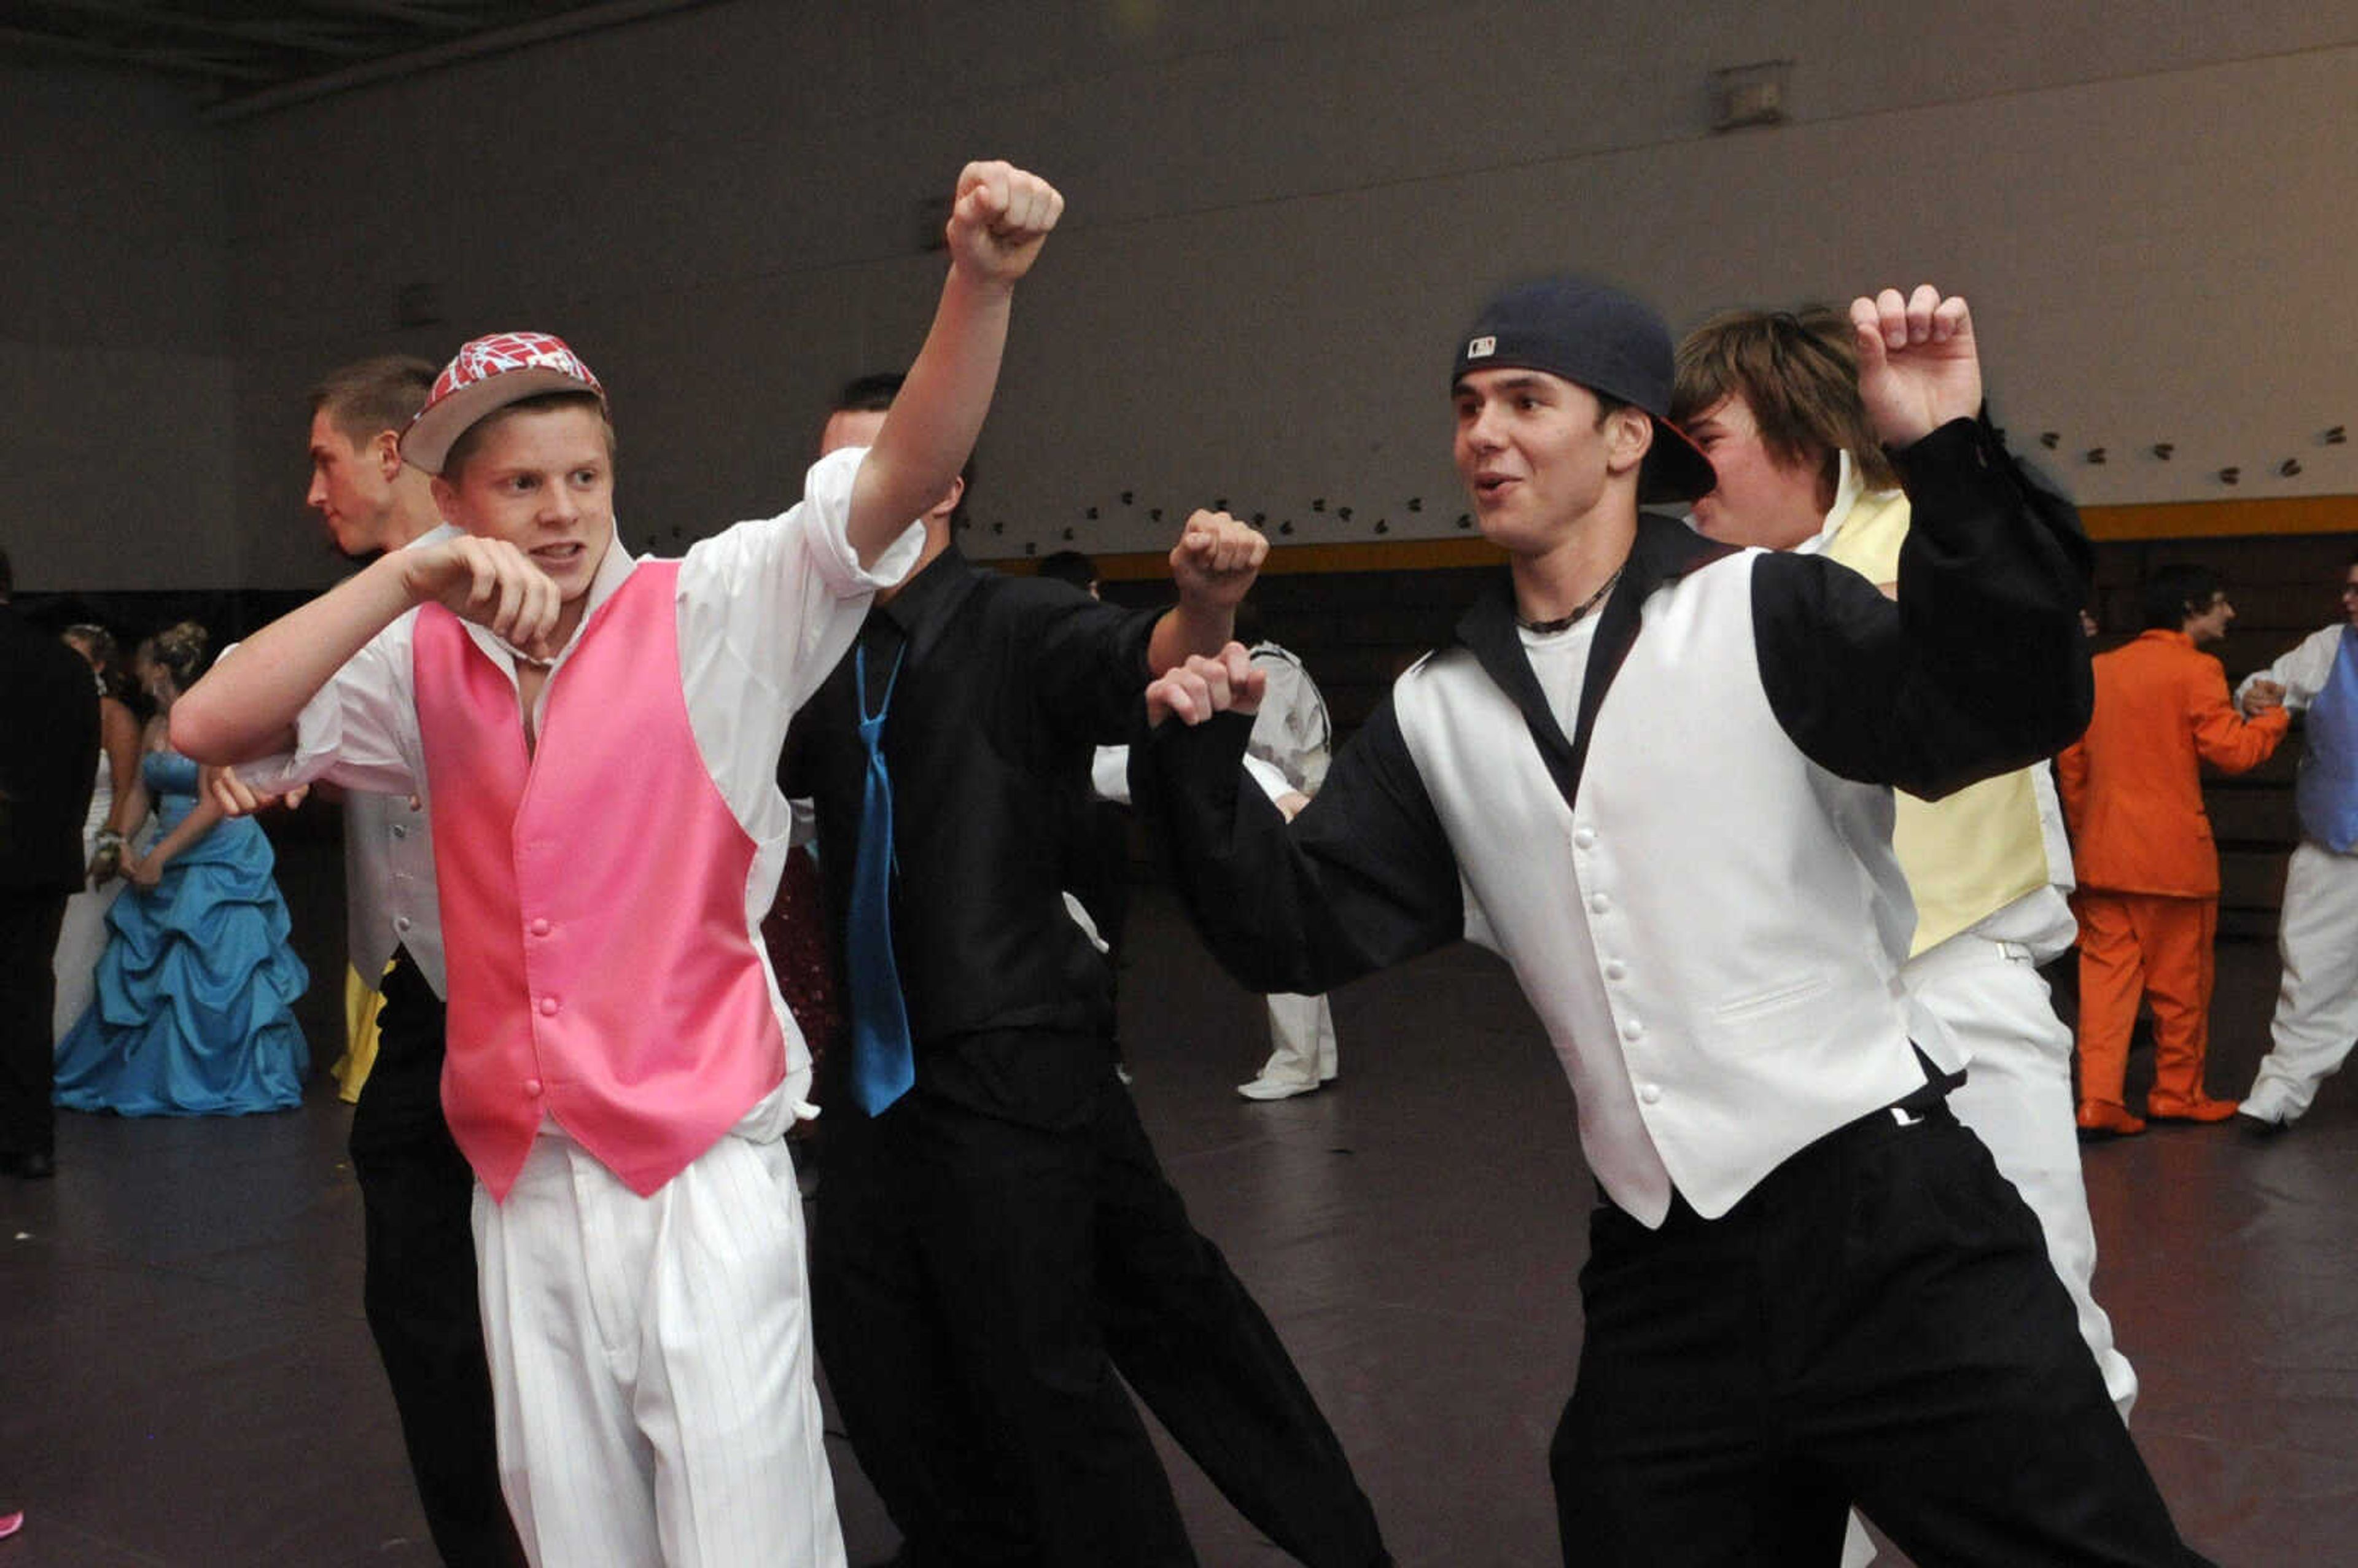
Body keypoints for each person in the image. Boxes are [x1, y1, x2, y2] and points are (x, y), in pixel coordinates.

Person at [1136, 278, 2213, 1565]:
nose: (1485, 434)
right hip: (1665, 1275)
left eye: (1527, 401)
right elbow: (1291, 931)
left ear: (1627, 438)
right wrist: (1199, 767)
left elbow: (2005, 702)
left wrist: (1950, 459)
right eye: (1468, 406)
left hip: (1890, 1228)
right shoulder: (1438, 705)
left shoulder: (1769, 608)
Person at [175, 160, 1062, 1568]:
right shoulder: (418, 658)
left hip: (698, 1175)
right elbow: (208, 718)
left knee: (744, 1539)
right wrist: (405, 575)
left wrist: (982, 284)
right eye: (519, 483)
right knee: (573, 1536)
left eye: (583, 474)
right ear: (448, 492)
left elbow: (899, 470)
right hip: (522, 1182)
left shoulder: (710, 609)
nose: (561, 509)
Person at [787, 379, 1388, 1568]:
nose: (861, 496)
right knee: (877, 1349)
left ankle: (1334, 1537)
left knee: (1074, 1358)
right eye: (840, 476)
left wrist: (1208, 608)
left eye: (891, 466)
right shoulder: (812, 647)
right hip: (873, 1081)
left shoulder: (1012, 626)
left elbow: (1152, 654)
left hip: (1014, 1056)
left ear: (947, 481)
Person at [1671, 305, 2136, 1422]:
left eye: (1706, 438)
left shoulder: (1936, 530)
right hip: (1784, 1010)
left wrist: (1959, 439)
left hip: (1959, 973)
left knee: (2036, 1295)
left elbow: (2018, 603)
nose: (1680, 473)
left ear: (1803, 431)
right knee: (1787, 1329)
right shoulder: (1689, 591)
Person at [311, 352, 524, 1564]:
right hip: (411, 995)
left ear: (393, 454)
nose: (313, 492)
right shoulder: (361, 615)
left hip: (526, 1000)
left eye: (324, 459)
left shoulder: (502, 596)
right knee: (419, 1306)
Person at [2058, 564, 2289, 1135]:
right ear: (2190, 609)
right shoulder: (2197, 669)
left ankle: (2100, 1100)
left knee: (2106, 988)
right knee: (2180, 989)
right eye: (2220, 604)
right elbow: (2231, 753)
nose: (2230, 614)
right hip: (2175, 865)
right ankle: (2176, 1092)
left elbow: (2073, 766)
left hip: (2104, 860)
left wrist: (2092, 835)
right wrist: (2274, 721)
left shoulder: (2100, 669)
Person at [52, 623, 310, 1116]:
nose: (137, 673)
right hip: (167, 847)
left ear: (161, 671)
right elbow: (142, 795)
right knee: (155, 971)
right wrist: (120, 841)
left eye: (144, 664)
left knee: (216, 968)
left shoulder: (213, 721)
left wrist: (159, 856)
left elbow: (217, 801)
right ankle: (153, 1072)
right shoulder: (154, 726)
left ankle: (214, 1074)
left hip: (218, 857)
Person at [2230, 553, 2358, 1128]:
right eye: (2348, 588)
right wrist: (2253, 694)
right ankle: (2280, 1092)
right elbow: (2266, 686)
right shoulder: (2331, 646)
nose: (2347, 600)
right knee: (2310, 973)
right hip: (2336, 846)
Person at [0, 545, 99, 1180]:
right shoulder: (64, 665)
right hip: (42, 856)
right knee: (29, 994)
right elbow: (83, 765)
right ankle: (31, 1140)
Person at [52, 624, 145, 1042]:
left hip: (103, 833)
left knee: (84, 947)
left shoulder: (115, 716)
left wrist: (110, 840)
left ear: (100, 664)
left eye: (79, 655)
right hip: (61, 836)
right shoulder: (52, 709)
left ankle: (74, 1042)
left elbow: (128, 789)